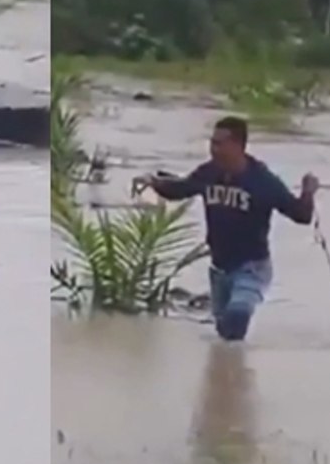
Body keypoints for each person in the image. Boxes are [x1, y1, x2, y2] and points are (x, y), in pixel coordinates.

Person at [134, 116, 319, 342]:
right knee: (224, 335)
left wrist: (308, 192)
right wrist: (153, 182)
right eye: (212, 143)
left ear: (238, 145)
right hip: (219, 269)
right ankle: (230, 372)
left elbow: (301, 215)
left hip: (252, 268)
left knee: (237, 316)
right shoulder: (209, 173)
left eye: (220, 144)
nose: (214, 149)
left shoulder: (262, 182)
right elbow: (180, 190)